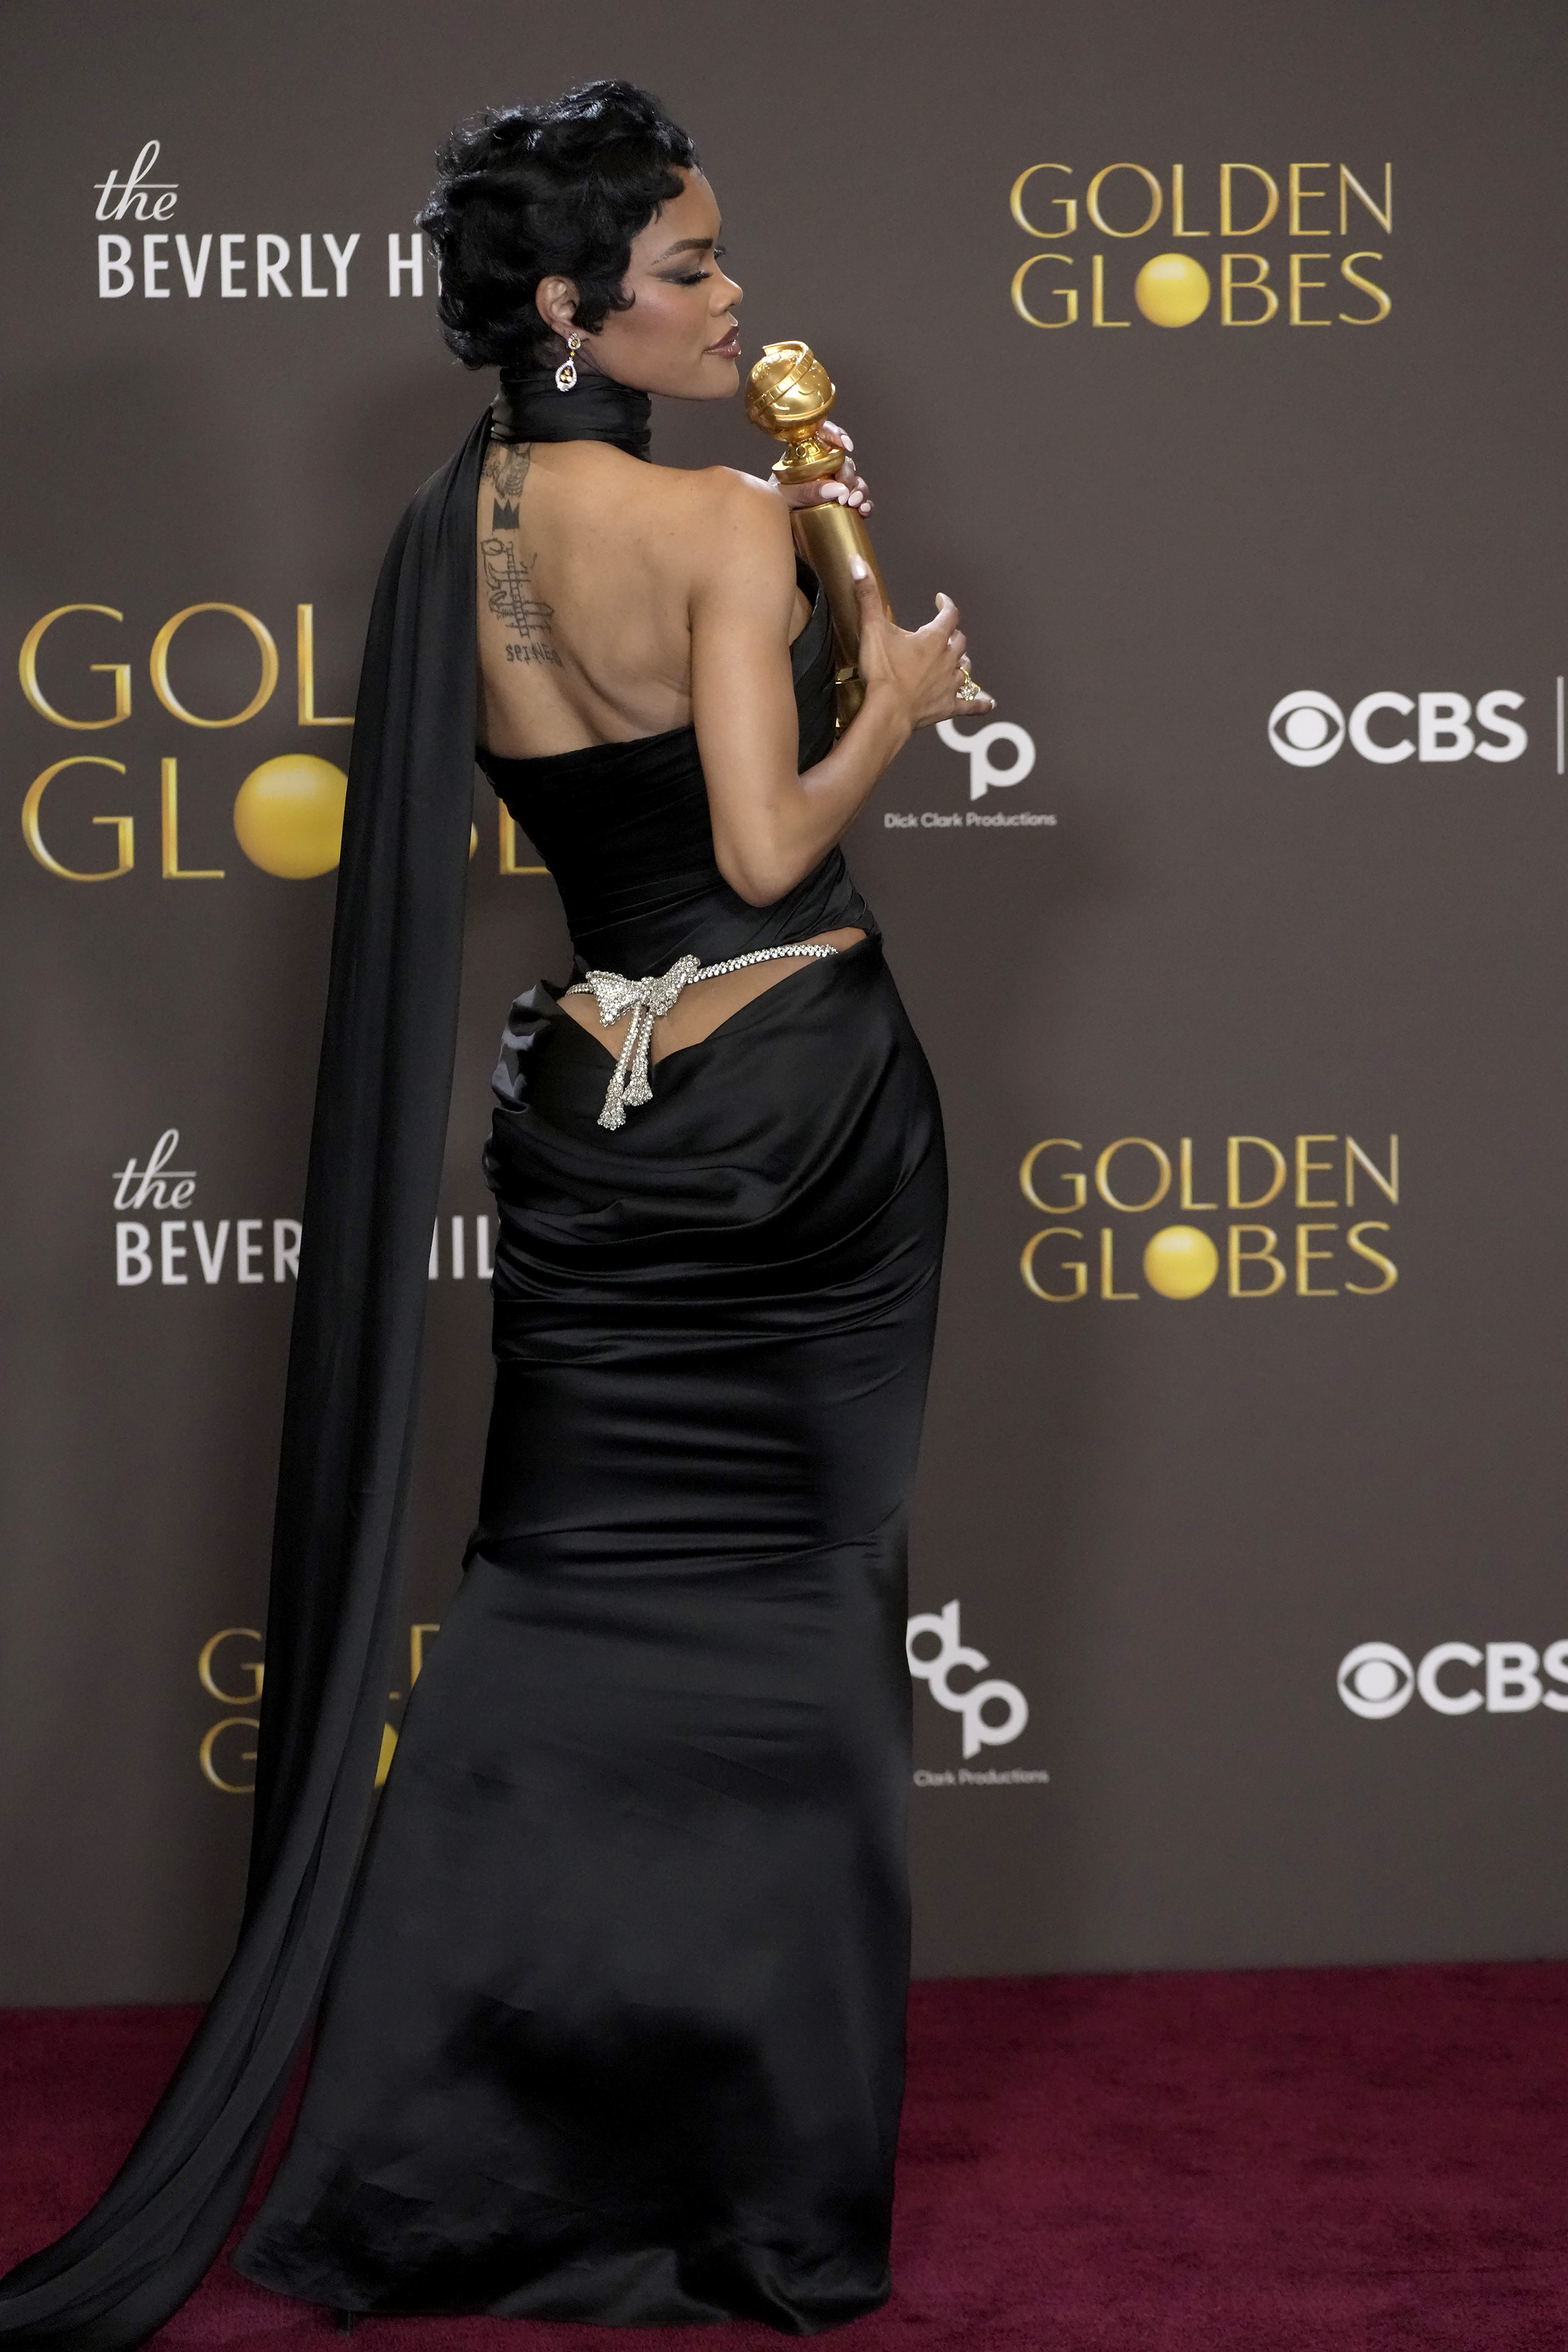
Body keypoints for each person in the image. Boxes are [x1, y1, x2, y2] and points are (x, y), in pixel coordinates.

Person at [0, 80, 987, 2348]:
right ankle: (759, 2202)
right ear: (568, 302)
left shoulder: (447, 542)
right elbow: (759, 851)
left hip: (593, 1134)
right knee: (808, 1645)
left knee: (550, 1632)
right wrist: (902, 703)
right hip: (801, 1116)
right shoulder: (718, 523)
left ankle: (457, 2178)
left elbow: (600, 848)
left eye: (726, 257)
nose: (736, 298)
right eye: (692, 269)